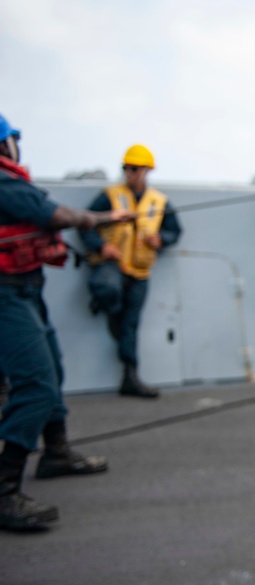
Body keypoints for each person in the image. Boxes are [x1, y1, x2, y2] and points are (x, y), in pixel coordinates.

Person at [0, 112, 132, 531]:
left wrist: (105, 220)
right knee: (36, 384)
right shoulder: (4, 181)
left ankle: (56, 451)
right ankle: (4, 490)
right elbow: (49, 215)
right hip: (5, 292)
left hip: (25, 286)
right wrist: (96, 220)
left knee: (51, 370)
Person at [80, 144, 181, 399]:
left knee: (130, 324)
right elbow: (85, 225)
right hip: (112, 265)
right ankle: (104, 303)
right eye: (126, 168)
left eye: (134, 169)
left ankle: (130, 375)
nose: (129, 173)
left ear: (147, 171)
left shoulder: (159, 202)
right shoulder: (109, 196)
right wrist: (102, 247)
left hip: (140, 272)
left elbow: (174, 231)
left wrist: (162, 239)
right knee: (107, 288)